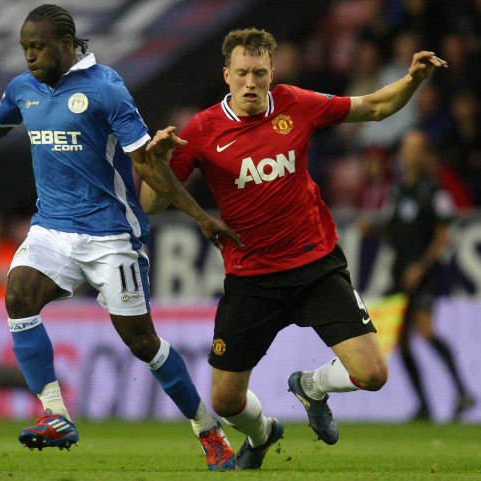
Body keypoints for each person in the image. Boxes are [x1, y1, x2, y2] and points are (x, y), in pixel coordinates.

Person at [0, 4, 242, 471]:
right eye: (25, 48)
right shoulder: (24, 88)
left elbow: (146, 162)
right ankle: (56, 414)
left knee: (143, 343)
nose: (30, 56)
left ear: (66, 44)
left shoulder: (107, 88)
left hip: (112, 236)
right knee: (18, 296)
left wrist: (199, 216)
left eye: (38, 47)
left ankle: (208, 430)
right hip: (52, 228)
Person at [140, 28, 447, 470]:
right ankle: (263, 433)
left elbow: (376, 107)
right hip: (251, 279)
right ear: (226, 75)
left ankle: (311, 386)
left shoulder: (294, 103)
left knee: (373, 374)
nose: (251, 83)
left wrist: (412, 79)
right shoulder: (203, 129)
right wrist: (159, 160)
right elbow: (152, 203)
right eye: (242, 73)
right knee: (225, 402)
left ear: (271, 73)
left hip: (315, 265)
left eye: (259, 73)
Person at [383, 129, 475, 421]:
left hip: (424, 273)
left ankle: (462, 392)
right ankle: (424, 407)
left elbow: (443, 233)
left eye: (415, 149)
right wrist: (371, 230)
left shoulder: (434, 189)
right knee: (402, 341)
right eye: (405, 148)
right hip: (401, 271)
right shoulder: (398, 190)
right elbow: (392, 229)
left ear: (424, 154)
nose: (409, 154)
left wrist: (421, 267)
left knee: (424, 330)